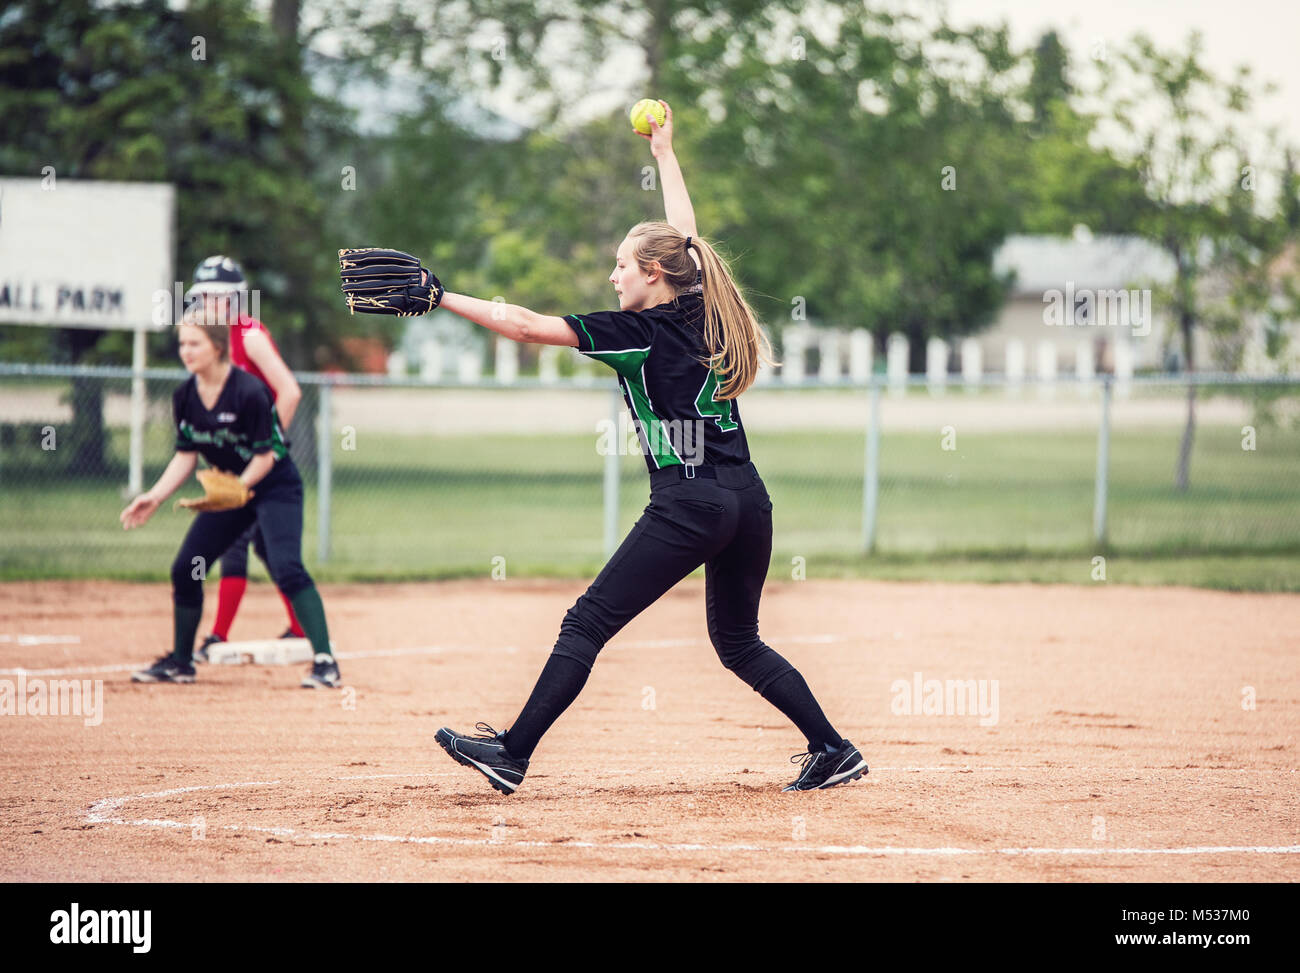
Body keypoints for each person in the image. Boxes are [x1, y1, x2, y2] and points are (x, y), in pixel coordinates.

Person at [434, 102, 866, 792]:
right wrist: (664, 154)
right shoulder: (703, 306)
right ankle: (832, 747)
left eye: (623, 266)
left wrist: (438, 294)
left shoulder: (637, 332)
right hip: (748, 500)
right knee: (738, 641)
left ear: (654, 276)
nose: (614, 277)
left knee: (588, 621)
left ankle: (512, 752)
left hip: (690, 504)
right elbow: (686, 239)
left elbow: (521, 325)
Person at [119, 311, 341, 689]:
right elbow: (186, 454)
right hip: (232, 492)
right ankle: (182, 661)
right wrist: (154, 496)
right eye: (182, 344)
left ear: (217, 347)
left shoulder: (248, 391)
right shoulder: (185, 395)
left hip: (274, 486)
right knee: (188, 566)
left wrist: (237, 488)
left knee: (286, 566)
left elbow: (267, 454)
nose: (185, 351)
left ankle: (325, 662)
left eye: (194, 343)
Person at [181, 256, 308, 662]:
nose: (210, 303)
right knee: (258, 548)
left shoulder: (248, 336)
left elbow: (289, 391)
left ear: (236, 300)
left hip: (260, 463)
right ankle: (295, 628)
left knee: (257, 546)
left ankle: (218, 635)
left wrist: (269, 445)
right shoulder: (206, 340)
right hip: (234, 463)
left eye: (219, 296)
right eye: (203, 296)